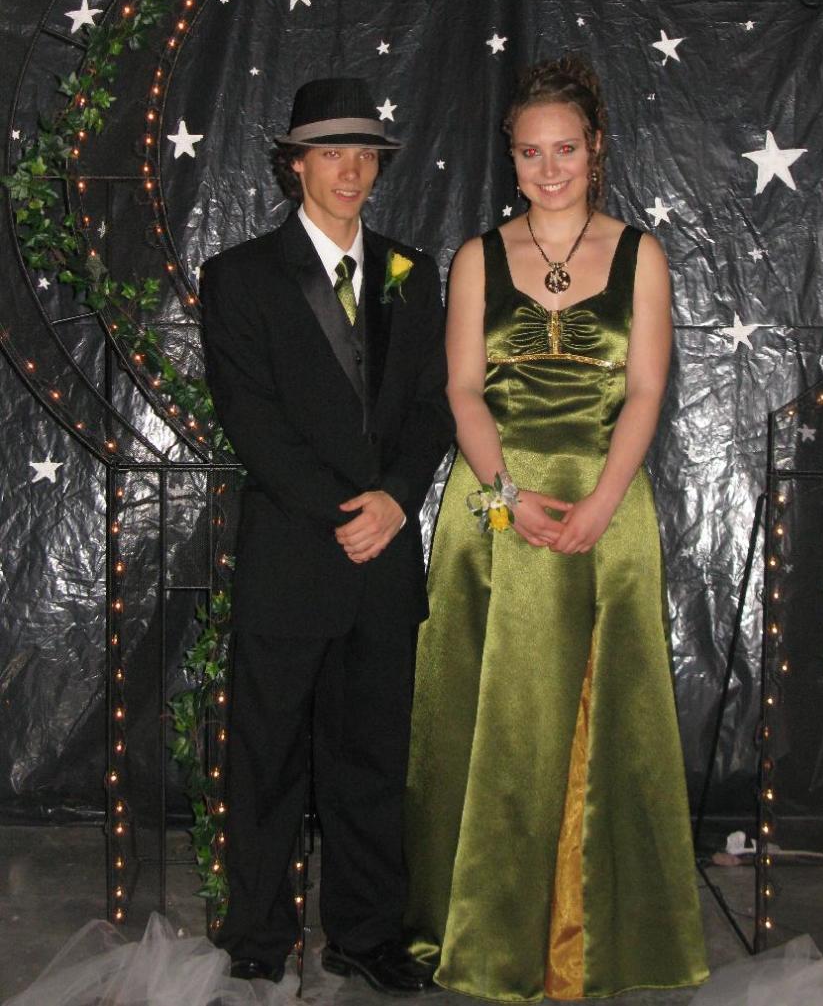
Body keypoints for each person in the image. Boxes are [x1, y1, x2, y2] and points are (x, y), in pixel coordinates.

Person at [404, 56, 709, 1000]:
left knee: (604, 722)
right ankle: (484, 935)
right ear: (512, 157)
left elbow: (647, 390)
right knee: (491, 720)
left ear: (596, 149)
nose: (548, 169)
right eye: (531, 153)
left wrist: (607, 500)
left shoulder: (641, 253)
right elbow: (461, 390)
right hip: (493, 511)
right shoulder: (474, 257)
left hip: (607, 507)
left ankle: (598, 938)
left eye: (565, 150)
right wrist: (506, 497)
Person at [200, 77, 453, 991]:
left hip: (386, 559)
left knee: (373, 763)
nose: (349, 170)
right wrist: (343, 511)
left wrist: (395, 498)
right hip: (293, 559)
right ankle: (260, 934)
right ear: (294, 162)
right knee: (264, 759)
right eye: (330, 152)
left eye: (364, 154)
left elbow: (433, 406)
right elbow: (251, 420)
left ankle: (364, 933)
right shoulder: (237, 276)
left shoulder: (412, 272)